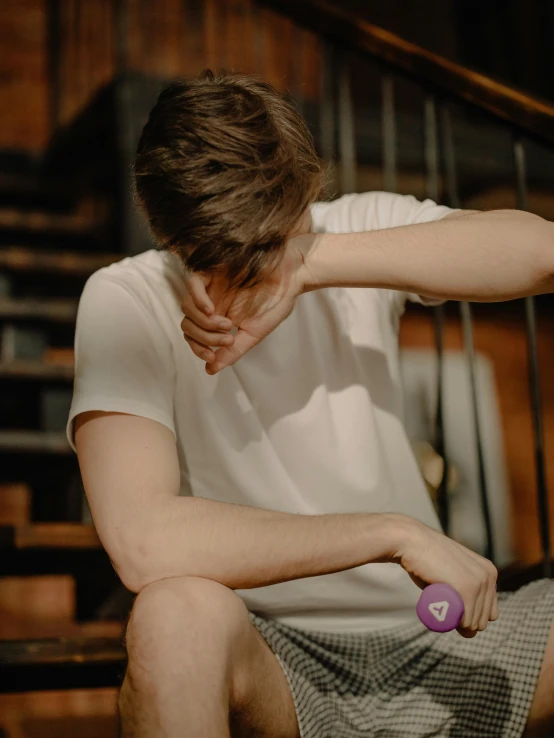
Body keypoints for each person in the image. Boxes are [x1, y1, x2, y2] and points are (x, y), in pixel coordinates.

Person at [68, 70, 554, 738]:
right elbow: (144, 542)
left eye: (273, 242)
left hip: (441, 637)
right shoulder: (126, 299)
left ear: (308, 191)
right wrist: (393, 534)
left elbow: (540, 253)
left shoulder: (351, 230)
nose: (252, 273)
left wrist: (311, 263)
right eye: (222, 258)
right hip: (283, 663)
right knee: (171, 614)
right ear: (170, 235)